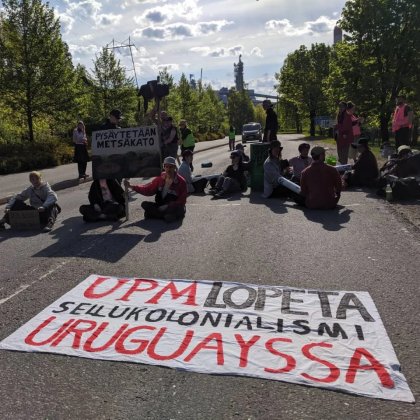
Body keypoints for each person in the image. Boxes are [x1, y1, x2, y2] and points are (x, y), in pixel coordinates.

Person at [124, 156, 187, 222]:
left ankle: (155, 215)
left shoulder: (181, 181)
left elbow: (182, 200)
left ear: (174, 167)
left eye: (171, 167)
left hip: (171, 206)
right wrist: (131, 186)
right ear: (164, 167)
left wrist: (167, 206)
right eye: (166, 167)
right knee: (144, 204)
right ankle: (165, 216)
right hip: (160, 205)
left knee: (179, 209)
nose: (168, 169)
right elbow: (148, 189)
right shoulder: (160, 178)